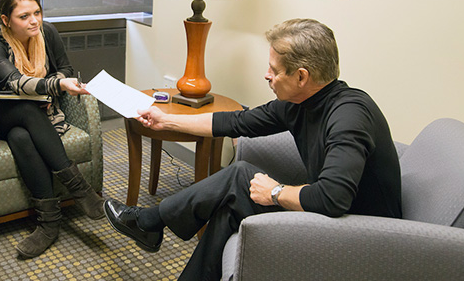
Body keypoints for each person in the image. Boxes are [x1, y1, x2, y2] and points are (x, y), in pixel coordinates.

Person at [104, 18, 402, 280]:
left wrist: (276, 192)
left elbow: (333, 197)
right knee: (231, 203)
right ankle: (154, 228)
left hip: (364, 236)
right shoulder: (301, 103)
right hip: (331, 218)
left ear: (301, 76)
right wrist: (167, 121)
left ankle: (150, 222)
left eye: (274, 69)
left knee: (240, 177)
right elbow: (236, 121)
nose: (266, 75)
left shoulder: (349, 115)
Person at [0, 0, 105, 259]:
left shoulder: (47, 32)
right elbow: (15, 83)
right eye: (24, 16)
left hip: (33, 109)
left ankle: (49, 223)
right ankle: (80, 190)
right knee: (24, 107)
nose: (34, 20)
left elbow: (65, 68)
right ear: (5, 20)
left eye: (37, 12)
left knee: (22, 136)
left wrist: (60, 81)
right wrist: (57, 86)